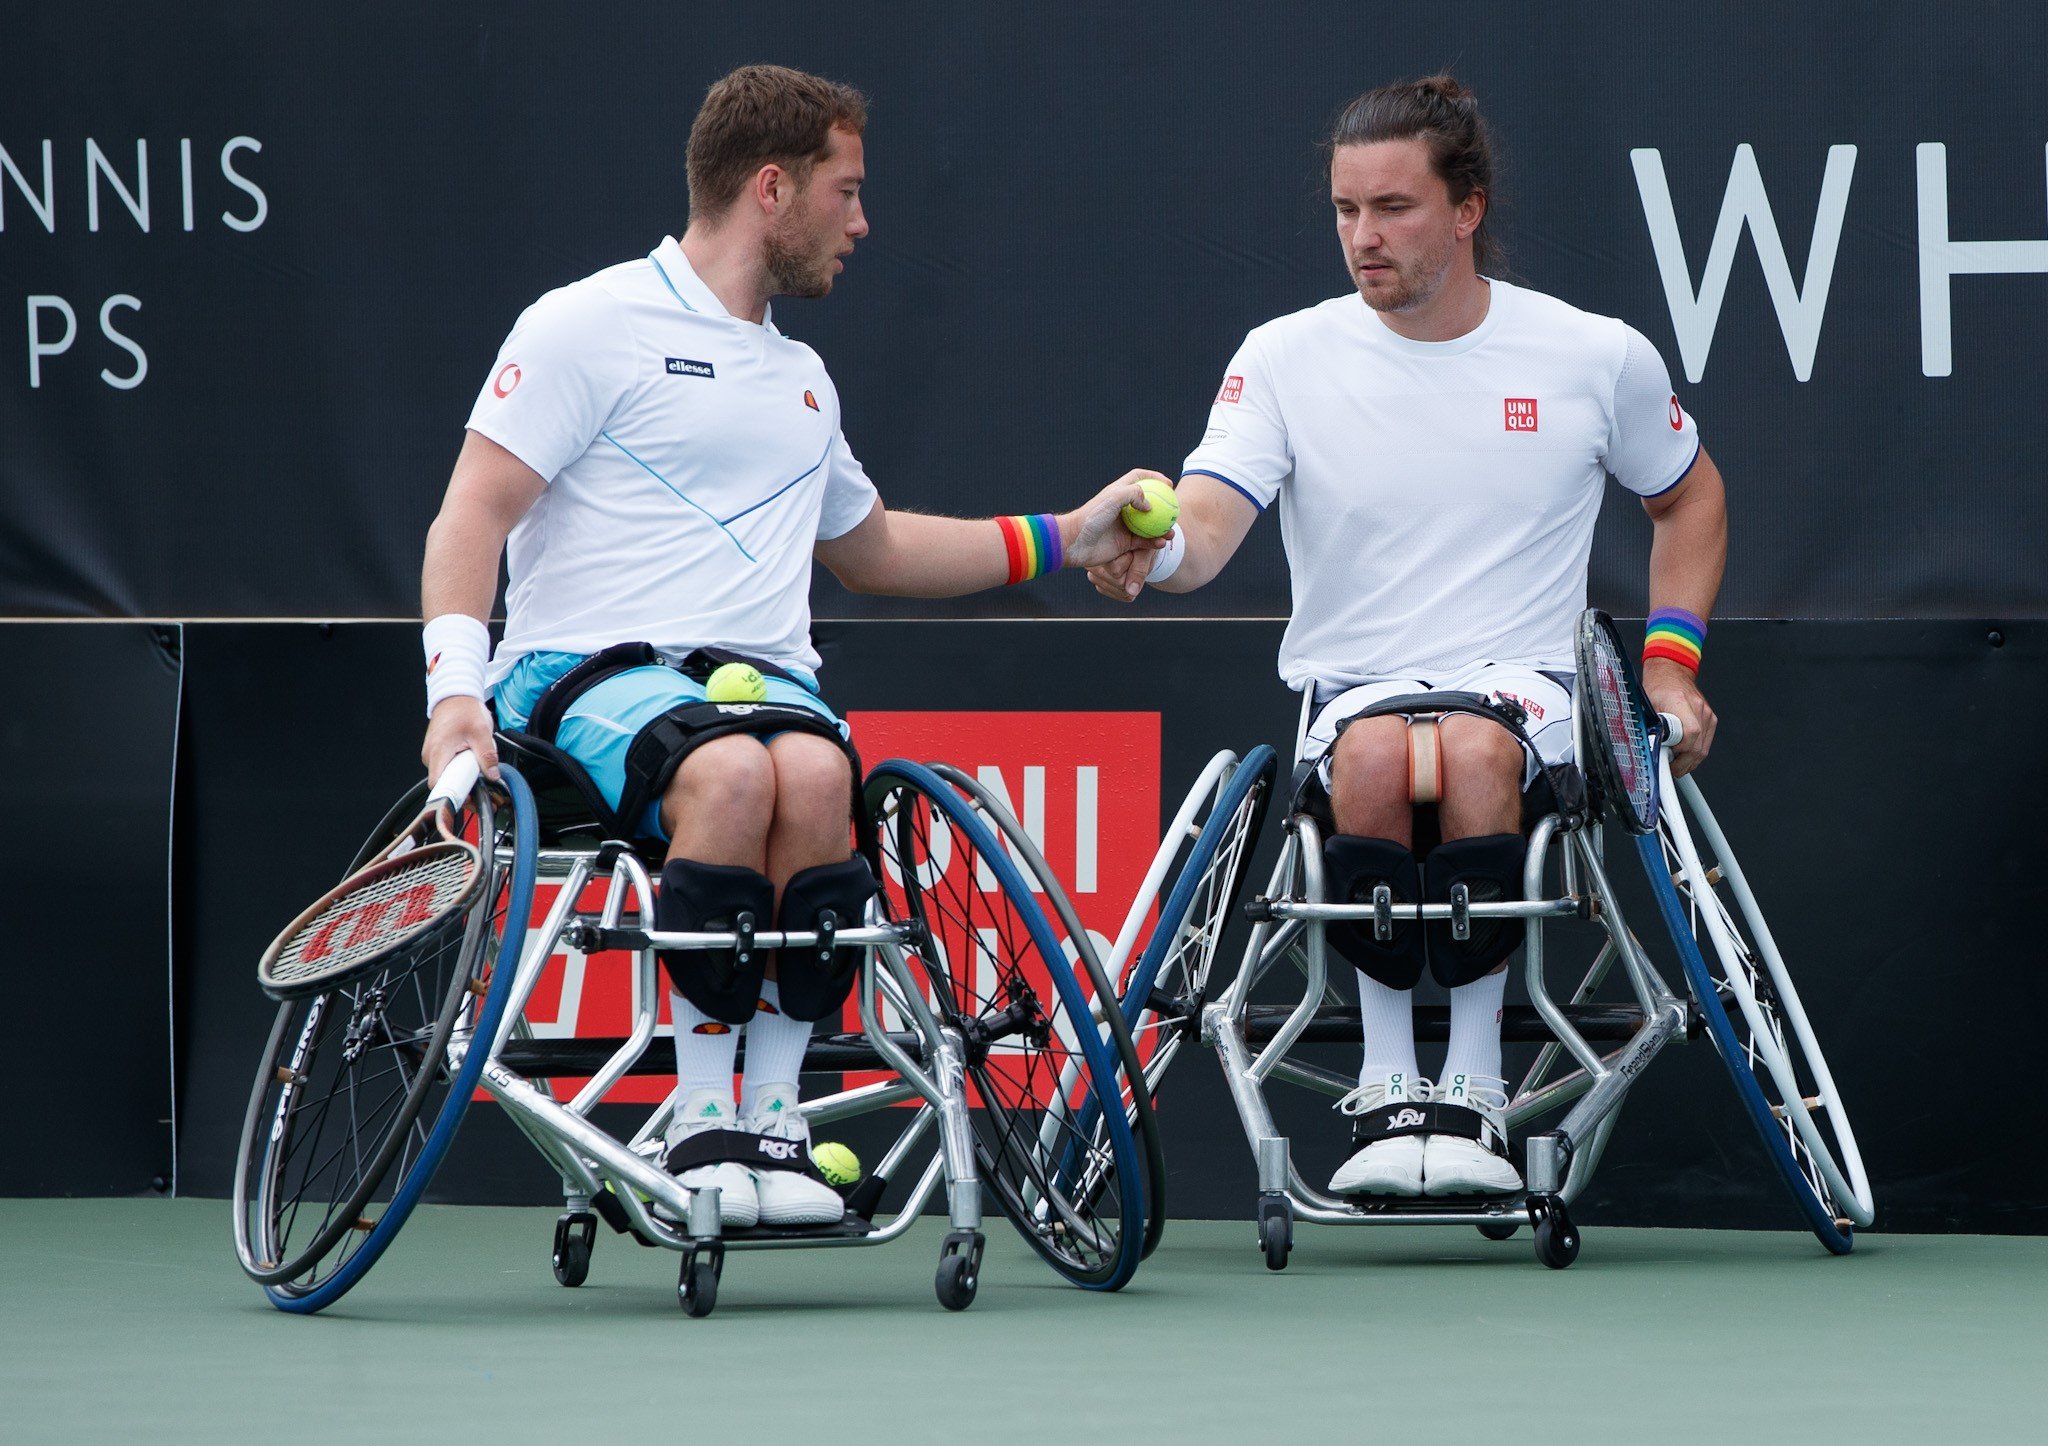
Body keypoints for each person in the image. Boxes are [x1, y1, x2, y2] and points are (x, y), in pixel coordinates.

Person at [420, 64, 1163, 1229]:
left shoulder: (801, 380)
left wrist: (1068, 538)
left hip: (763, 689)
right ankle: (706, 1120)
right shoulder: (584, 323)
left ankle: (771, 1123)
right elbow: (471, 512)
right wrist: (452, 695)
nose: (862, 224)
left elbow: (873, 552)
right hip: (578, 678)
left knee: (815, 772)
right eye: (846, 192)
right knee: (732, 772)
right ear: (771, 188)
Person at [1090, 75, 1726, 1198]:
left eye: (1391, 209)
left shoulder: (1591, 355)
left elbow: (1687, 499)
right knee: (1384, 753)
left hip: (1522, 690)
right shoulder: (1282, 356)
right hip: (1356, 693)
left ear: (1465, 209)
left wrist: (1669, 666)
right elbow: (1205, 526)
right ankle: (1392, 1087)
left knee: (1469, 751)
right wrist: (1152, 547)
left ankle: (1470, 1088)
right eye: (1343, 211)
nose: (1361, 238)